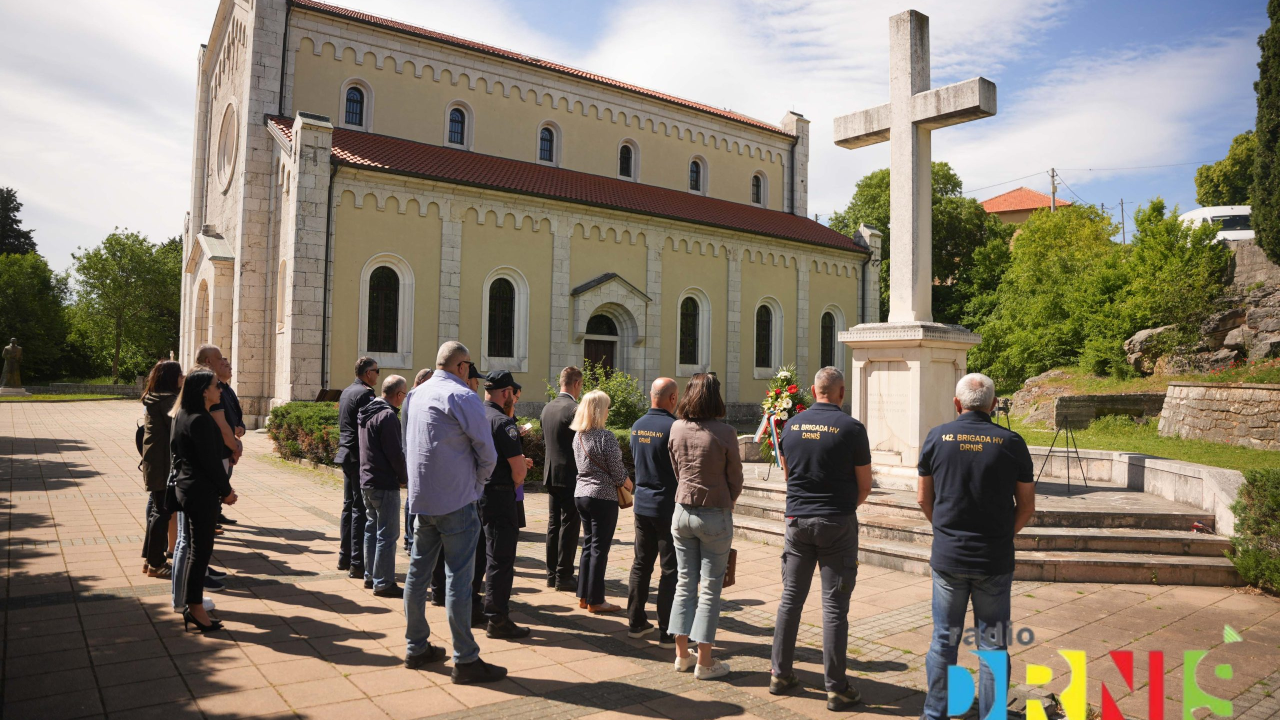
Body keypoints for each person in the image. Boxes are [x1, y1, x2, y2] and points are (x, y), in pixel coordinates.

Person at [918, 373, 1036, 720]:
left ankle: (934, 714)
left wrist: (945, 533)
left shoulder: (937, 438)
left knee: (943, 640)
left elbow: (924, 499)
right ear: (994, 405)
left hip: (948, 556)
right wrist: (1002, 536)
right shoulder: (1011, 442)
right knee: (993, 646)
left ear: (957, 404)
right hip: (993, 560)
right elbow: (1027, 506)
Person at [402, 341, 508, 684]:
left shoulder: (415, 395)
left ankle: (416, 646)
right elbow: (487, 453)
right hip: (457, 501)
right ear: (462, 367)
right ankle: (465, 659)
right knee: (458, 580)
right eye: (470, 368)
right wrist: (476, 487)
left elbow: (409, 445)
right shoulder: (462, 396)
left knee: (418, 575)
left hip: (423, 500)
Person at [769, 367, 873, 711]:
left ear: (814, 391)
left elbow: (788, 473)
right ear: (841, 392)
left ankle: (780, 674)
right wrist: (842, 508)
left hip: (797, 522)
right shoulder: (852, 428)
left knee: (790, 600)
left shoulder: (792, 425)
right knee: (833, 609)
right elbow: (865, 486)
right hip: (836, 523)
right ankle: (836, 687)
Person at [667, 372, 742, 680]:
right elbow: (735, 476)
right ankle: (705, 662)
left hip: (682, 509)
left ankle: (683, 655)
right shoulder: (725, 431)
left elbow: (675, 466)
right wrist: (729, 499)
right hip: (714, 511)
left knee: (685, 583)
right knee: (710, 589)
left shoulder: (676, 427)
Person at [169, 370, 239, 632]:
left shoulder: (183, 414)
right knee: (200, 551)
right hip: (200, 492)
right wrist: (226, 491)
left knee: (193, 550)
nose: (219, 390)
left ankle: (190, 603)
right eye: (215, 386)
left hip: (188, 489)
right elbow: (210, 464)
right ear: (203, 391)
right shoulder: (200, 420)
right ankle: (195, 607)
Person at [479, 370, 534, 639]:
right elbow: (518, 471)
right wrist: (517, 476)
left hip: (476, 493)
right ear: (506, 393)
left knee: (478, 555)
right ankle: (497, 618)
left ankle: (472, 610)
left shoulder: (476, 415)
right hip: (500, 496)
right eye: (512, 392)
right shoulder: (503, 423)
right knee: (500, 559)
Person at [627, 377, 679, 647]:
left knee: (641, 564)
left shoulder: (637, 425)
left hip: (642, 503)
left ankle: (636, 622)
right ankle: (668, 631)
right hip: (666, 505)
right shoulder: (674, 427)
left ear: (651, 395)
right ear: (672, 398)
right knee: (670, 569)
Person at [571, 389, 633, 614]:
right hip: (602, 496)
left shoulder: (578, 436)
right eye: (607, 406)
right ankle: (596, 600)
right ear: (599, 410)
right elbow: (617, 470)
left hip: (582, 494)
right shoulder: (605, 436)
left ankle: (584, 595)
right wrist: (628, 483)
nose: (609, 410)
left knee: (588, 545)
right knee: (600, 548)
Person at [359, 374, 409, 598]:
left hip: (367, 480)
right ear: (398, 395)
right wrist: (404, 476)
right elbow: (395, 453)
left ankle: (370, 576)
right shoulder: (388, 416)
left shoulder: (368, 410)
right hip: (384, 482)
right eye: (404, 394)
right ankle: (383, 582)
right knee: (387, 535)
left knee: (371, 530)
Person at [336, 357, 379, 578]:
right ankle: (356, 562)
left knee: (348, 506)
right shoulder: (365, 394)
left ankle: (345, 556)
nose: (378, 375)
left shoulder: (347, 390)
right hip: (356, 456)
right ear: (368, 373)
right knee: (359, 509)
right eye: (376, 371)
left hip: (345, 453)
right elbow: (369, 429)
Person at [541, 366, 583, 590]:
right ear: (576, 384)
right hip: (570, 474)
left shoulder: (548, 407)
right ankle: (564, 575)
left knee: (553, 524)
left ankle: (551, 573)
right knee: (569, 524)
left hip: (550, 473)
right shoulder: (574, 409)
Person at [140, 360, 182, 579]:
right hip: (164, 465)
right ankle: (156, 562)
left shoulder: (155, 399)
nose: (182, 378)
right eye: (179, 374)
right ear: (171, 378)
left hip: (155, 463)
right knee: (162, 512)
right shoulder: (168, 402)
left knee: (158, 511)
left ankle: (151, 560)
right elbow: (181, 429)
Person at [404, 369, 434, 553]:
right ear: (422, 380)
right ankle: (410, 539)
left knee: (413, 497)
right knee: (412, 499)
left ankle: (410, 539)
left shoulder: (413, 397)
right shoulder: (413, 398)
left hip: (411, 453)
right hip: (412, 454)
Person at [214, 357, 245, 528]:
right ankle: (213, 514)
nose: (229, 368)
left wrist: (241, 427)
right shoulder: (215, 389)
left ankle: (216, 513)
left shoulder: (228, 389)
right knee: (221, 479)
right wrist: (232, 432)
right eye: (224, 365)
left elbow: (235, 412)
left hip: (231, 440)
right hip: (222, 442)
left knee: (226, 476)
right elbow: (220, 417)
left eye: (230, 365)